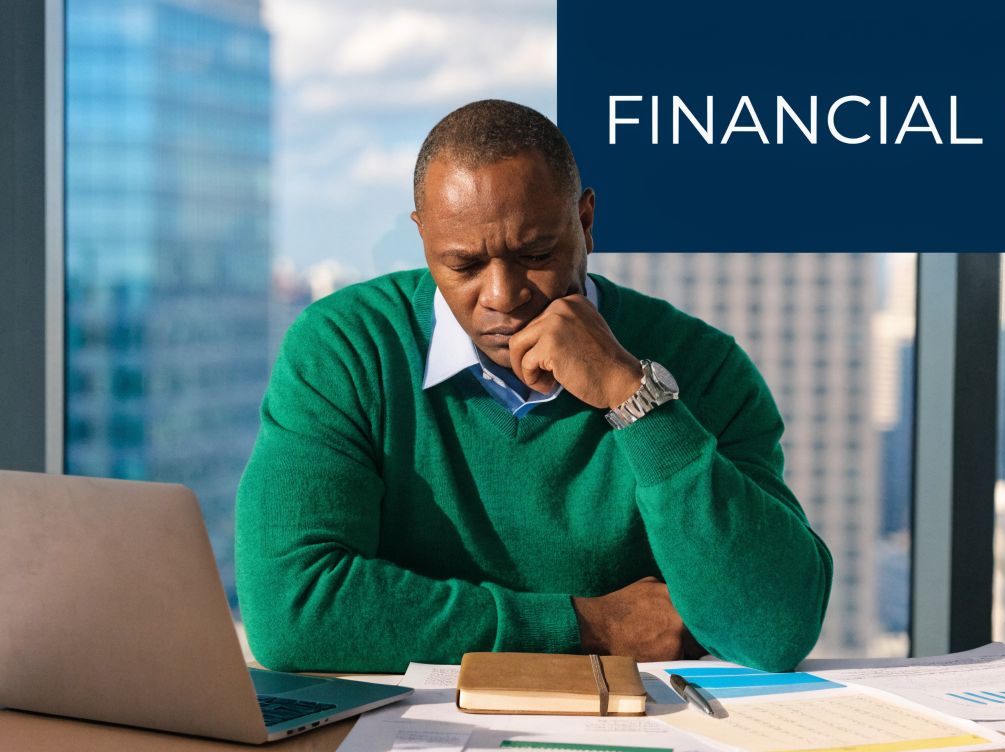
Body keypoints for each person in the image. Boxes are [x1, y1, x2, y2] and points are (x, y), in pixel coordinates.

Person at [235, 99, 832, 673]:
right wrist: (588, 627)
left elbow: (774, 628)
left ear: (586, 221)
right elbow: (293, 610)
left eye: (537, 252)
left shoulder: (703, 365)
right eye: (464, 265)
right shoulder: (345, 349)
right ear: (422, 238)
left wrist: (637, 398)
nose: (503, 296)